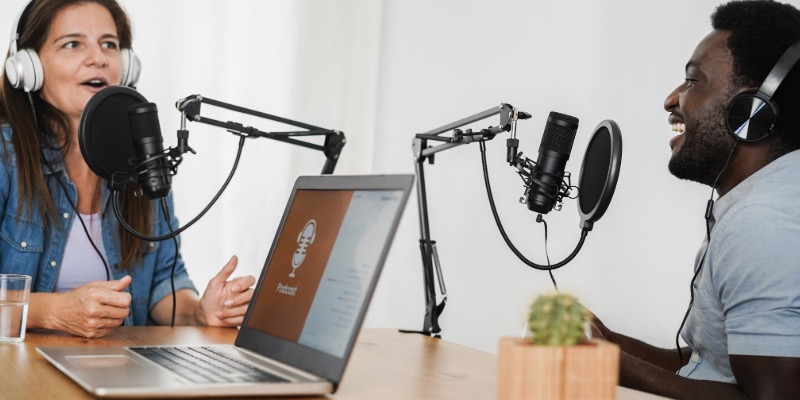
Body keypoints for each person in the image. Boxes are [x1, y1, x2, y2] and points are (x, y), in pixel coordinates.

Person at [0, 0, 255, 338]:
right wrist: (53, 312)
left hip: (115, 371)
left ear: (128, 67)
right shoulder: (6, 157)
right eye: (73, 44)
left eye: (109, 44)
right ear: (27, 67)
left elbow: (163, 282)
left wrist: (199, 311)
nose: (99, 58)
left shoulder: (143, 157)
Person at [591, 1, 800, 398]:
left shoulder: (765, 223)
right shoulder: (761, 203)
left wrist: (603, 364)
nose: (671, 99)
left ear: (750, 111)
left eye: (692, 81)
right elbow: (716, 366)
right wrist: (610, 345)